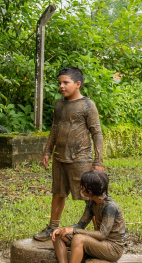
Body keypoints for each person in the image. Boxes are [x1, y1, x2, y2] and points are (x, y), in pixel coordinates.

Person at [34, 66, 105, 241]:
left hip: (80, 158)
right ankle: (52, 227)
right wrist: (47, 151)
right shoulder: (59, 104)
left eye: (66, 82)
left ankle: (99, 232)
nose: (61, 86)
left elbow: (97, 133)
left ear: (78, 84)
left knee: (90, 195)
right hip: (60, 157)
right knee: (58, 192)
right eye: (59, 83)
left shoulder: (87, 105)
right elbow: (54, 128)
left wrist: (99, 161)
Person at [48, 171, 125, 263]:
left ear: (89, 190)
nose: (80, 188)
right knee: (59, 234)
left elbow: (102, 235)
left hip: (113, 248)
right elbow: (81, 224)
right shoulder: (92, 202)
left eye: (82, 186)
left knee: (79, 238)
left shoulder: (110, 207)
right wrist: (63, 229)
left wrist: (73, 231)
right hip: (100, 243)